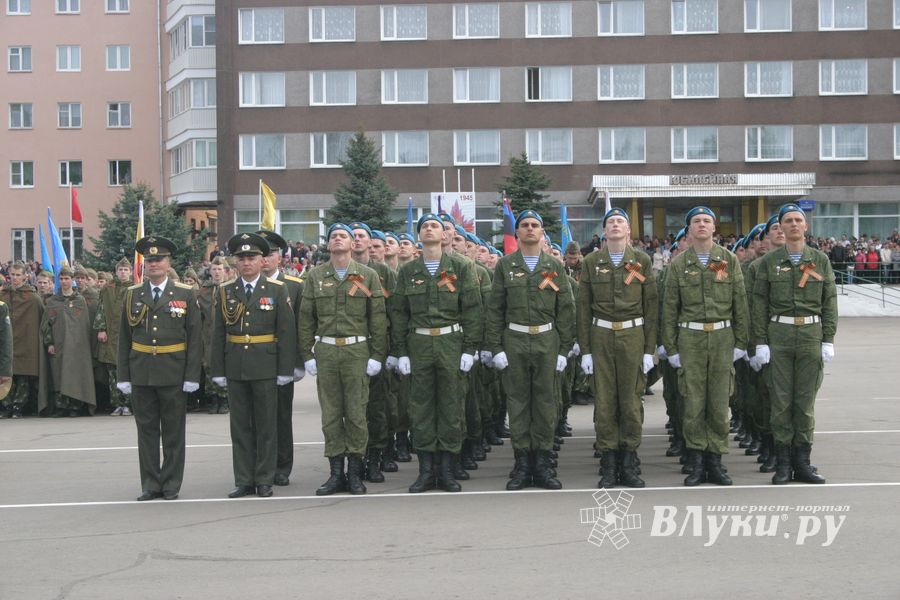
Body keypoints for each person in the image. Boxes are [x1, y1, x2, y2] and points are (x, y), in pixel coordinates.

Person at [485, 210, 575, 490]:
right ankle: (522, 463)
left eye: (535, 225)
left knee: (546, 404)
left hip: (546, 340)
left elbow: (566, 309)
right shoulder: (505, 265)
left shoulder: (554, 266)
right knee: (519, 403)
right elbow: (495, 309)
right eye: (524, 225)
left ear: (542, 232)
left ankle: (543, 463)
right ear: (518, 232)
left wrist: (563, 349)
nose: (530, 229)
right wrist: (496, 347)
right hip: (515, 340)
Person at [392, 214, 482, 493]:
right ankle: (426, 471)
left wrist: (470, 349)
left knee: (451, 407)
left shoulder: (462, 266)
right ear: (419, 236)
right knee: (421, 408)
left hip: (450, 343)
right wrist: (402, 352)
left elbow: (473, 310)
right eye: (425, 227)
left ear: (445, 235)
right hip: (419, 345)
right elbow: (399, 313)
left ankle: (446, 470)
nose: (430, 230)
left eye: (436, 226)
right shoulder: (408, 272)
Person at [661, 207, 749, 487]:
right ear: (688, 230)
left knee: (719, 402)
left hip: (722, 338)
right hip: (691, 339)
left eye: (706, 221)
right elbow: (670, 309)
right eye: (696, 221)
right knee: (693, 402)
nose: (701, 224)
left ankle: (716, 460)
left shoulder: (727, 260)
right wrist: (671, 348)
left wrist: (741, 342)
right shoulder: (679, 264)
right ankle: (697, 460)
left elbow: (739, 302)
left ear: (714, 228)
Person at [298, 223, 387, 496]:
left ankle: (356, 472)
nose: (338, 239)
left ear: (353, 244)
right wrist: (307, 354)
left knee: (357, 414)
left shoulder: (367, 275)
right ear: (328, 244)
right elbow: (305, 318)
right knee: (332, 415)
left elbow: (378, 318)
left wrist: (377, 355)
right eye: (333, 236)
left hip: (356, 352)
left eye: (343, 236)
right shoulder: (315, 276)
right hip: (326, 352)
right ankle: (336, 473)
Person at [751, 204, 837, 485]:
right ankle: (784, 464)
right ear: (781, 227)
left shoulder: (820, 260)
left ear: (806, 226)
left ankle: (803, 463)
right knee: (781, 402)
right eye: (788, 221)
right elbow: (760, 303)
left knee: (804, 403)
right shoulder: (769, 261)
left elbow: (829, 301)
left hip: (811, 334)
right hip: (779, 335)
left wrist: (828, 338)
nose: (794, 224)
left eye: (798, 220)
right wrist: (761, 342)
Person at [211, 233, 297, 499]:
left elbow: (286, 331)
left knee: (266, 425)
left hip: (266, 364)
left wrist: (285, 370)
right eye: (242, 258)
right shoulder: (226, 291)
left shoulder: (276, 289)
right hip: (236, 364)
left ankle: (264, 478)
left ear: (262, 261)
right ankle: (244, 479)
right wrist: (218, 370)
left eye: (252, 258)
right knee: (240, 426)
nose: (247, 263)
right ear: (235, 263)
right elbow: (217, 334)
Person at [117, 237, 202, 501]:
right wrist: (123, 376)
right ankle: (151, 483)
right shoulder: (132, 294)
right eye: (150, 260)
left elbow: (195, 337)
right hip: (141, 371)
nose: (154, 264)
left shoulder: (185, 293)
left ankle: (171, 483)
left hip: (173, 372)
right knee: (147, 432)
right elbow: (123, 337)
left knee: (174, 432)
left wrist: (191, 375)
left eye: (159, 260)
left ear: (168, 263)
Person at [579, 208, 658, 488]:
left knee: (631, 401)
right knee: (604, 402)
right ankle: (609, 461)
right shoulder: (591, 262)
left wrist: (650, 349)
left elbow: (651, 306)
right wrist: (585, 350)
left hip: (633, 335)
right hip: (601, 335)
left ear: (628, 231)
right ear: (604, 231)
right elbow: (583, 307)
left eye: (620, 221)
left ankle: (629, 460)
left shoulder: (642, 261)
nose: (615, 225)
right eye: (610, 221)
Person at [256, 229, 305, 487]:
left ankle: (282, 466)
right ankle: (258, 464)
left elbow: (300, 328)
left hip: (281, 360)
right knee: (256, 417)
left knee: (281, 416)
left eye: (270, 253)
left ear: (281, 258)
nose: (264, 258)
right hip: (254, 359)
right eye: (260, 253)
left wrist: (297, 362)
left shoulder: (294, 287)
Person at [40, 266, 96, 417]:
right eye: (62, 279)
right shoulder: (53, 301)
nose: (64, 281)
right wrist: (49, 343)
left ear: (72, 280)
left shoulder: (80, 301)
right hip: (58, 344)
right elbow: (46, 325)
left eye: (67, 278)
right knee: (58, 374)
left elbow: (84, 325)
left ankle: (75, 406)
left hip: (77, 346)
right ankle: (61, 406)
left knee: (75, 374)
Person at [0, 261, 43, 418]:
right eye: (13, 274)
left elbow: (40, 319)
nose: (15, 278)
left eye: (18, 275)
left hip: (26, 342)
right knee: (5, 375)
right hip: (6, 342)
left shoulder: (33, 298)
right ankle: (7, 405)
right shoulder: (3, 295)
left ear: (26, 276)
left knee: (22, 376)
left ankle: (19, 406)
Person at [95, 257, 133, 416]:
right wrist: (101, 328)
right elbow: (101, 309)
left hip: (129, 336)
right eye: (120, 270)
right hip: (111, 335)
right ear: (116, 272)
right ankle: (117, 403)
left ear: (130, 272)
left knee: (129, 371)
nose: (123, 273)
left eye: (126, 270)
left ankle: (129, 404)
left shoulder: (135, 288)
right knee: (112, 372)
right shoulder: (107, 289)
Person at [197, 256, 230, 414]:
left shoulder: (231, 288)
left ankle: (224, 398)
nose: (217, 272)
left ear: (225, 271)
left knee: (225, 364)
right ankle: (212, 398)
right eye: (214, 269)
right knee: (208, 364)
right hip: (208, 334)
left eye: (220, 269)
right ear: (210, 272)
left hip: (227, 334)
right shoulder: (203, 291)